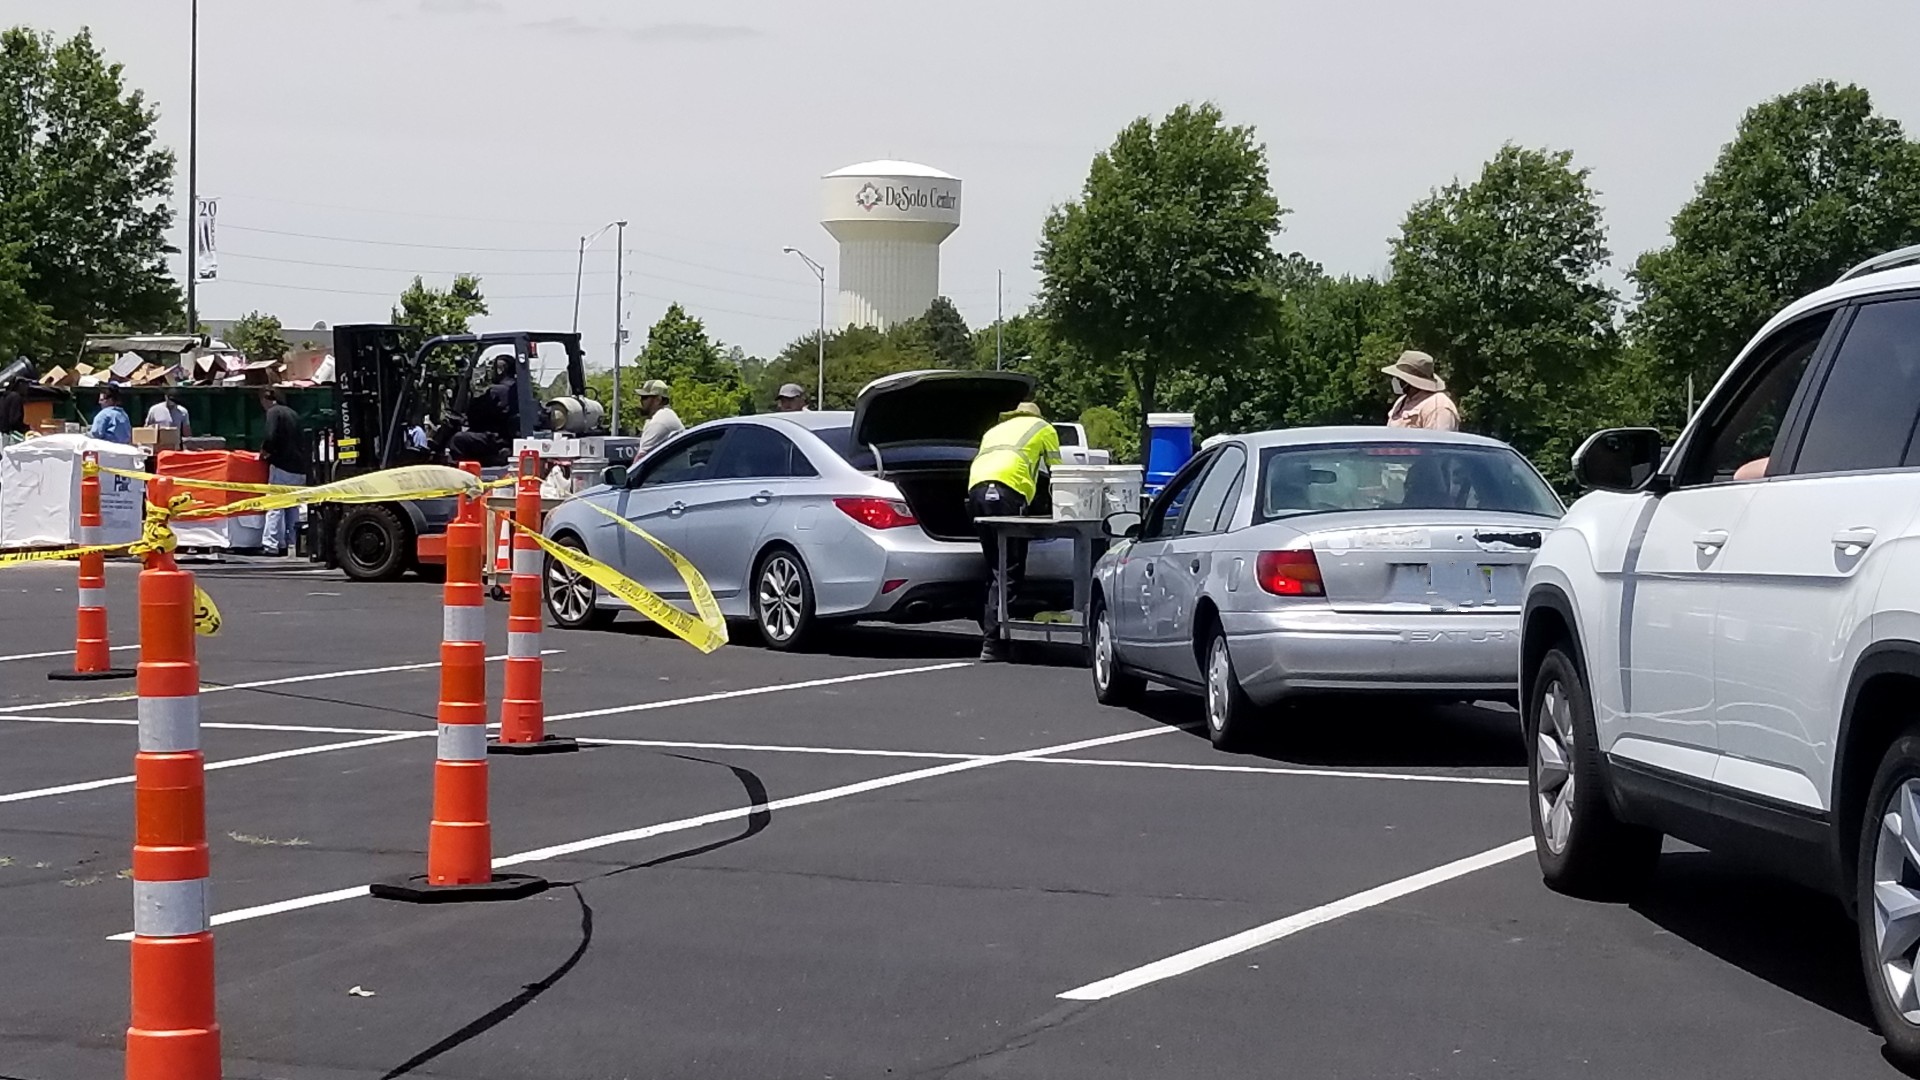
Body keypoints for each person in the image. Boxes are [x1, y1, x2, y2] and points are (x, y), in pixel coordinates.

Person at [966, 401, 1062, 662]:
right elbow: (1060, 473)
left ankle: (994, 636)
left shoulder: (994, 430)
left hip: (975, 491)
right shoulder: (1044, 428)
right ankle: (994, 642)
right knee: (1009, 569)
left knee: (994, 567)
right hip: (1008, 491)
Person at [257, 389, 309, 556]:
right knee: (292, 506)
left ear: (266, 399)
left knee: (274, 505)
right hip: (299, 467)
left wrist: (265, 452)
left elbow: (270, 436)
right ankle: (292, 542)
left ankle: (271, 543)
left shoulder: (273, 412)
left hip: (282, 465)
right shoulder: (293, 414)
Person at [449, 354, 520, 467]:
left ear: (500, 370)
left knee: (458, 439)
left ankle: (458, 475)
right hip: (506, 438)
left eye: (493, 369)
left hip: (495, 439)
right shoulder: (519, 390)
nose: (491, 373)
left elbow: (474, 413)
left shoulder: (496, 391)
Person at [1382, 350, 1461, 432]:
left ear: (1409, 381)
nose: (1397, 381)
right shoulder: (1401, 401)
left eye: (1400, 378)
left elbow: (1439, 442)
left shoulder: (1438, 406)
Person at [634, 380, 684, 458]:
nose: (641, 401)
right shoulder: (667, 415)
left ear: (658, 400)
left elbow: (641, 459)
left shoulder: (659, 422)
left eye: (645, 397)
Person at [0, 377, 28, 446]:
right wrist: (25, 429)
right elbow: (14, 419)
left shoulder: (3, 396)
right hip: (8, 435)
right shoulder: (16, 397)